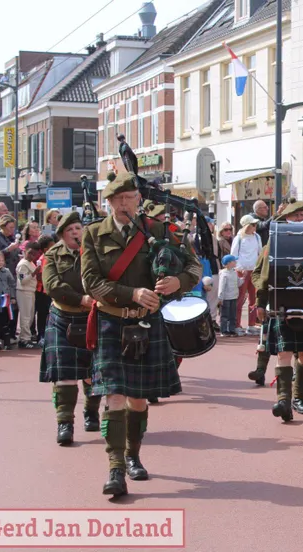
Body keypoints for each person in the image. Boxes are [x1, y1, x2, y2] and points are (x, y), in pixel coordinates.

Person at [81, 172, 202, 497]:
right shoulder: (93, 234)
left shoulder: (159, 230)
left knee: (137, 399)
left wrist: (178, 283)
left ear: (139, 200)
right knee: (114, 397)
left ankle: (133, 454)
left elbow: (193, 267)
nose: (124, 204)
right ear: (108, 202)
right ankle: (115, 467)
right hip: (111, 321)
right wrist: (132, 294)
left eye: (130, 198)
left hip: (147, 325)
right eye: (118, 199)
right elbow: (91, 282)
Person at [254, 199, 303, 420]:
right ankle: (283, 400)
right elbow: (260, 274)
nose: (300, 219)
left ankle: (299, 398)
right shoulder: (273, 243)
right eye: (296, 216)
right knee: (284, 353)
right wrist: (261, 301)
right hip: (281, 304)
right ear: (286, 219)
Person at [40, 211, 102, 445]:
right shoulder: (52, 255)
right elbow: (52, 286)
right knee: (64, 376)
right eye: (70, 230)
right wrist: (81, 299)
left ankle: (91, 411)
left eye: (78, 228)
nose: (75, 232)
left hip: (92, 318)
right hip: (63, 317)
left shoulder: (94, 251)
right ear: (61, 235)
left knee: (92, 373)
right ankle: (65, 423)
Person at [231, 215, 262, 335]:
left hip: (254, 271)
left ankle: (251, 325)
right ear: (247, 226)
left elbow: (260, 253)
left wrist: (259, 267)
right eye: (253, 224)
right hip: (241, 271)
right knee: (240, 299)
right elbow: (234, 255)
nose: (255, 226)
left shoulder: (257, 237)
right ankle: (237, 325)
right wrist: (239, 268)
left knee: (254, 299)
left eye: (255, 224)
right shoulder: (238, 238)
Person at [16, 242, 42, 349]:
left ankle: (26, 337)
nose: (32, 256)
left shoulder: (31, 263)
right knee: (25, 316)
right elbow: (23, 281)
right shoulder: (23, 264)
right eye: (30, 253)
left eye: (34, 254)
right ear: (25, 251)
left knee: (30, 316)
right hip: (24, 291)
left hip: (31, 291)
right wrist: (34, 273)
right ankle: (24, 339)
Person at [219, 255, 242, 336]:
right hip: (226, 298)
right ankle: (224, 330)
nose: (235, 262)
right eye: (234, 261)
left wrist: (243, 277)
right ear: (228, 263)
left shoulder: (234, 272)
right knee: (225, 315)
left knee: (233, 315)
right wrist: (220, 298)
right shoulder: (224, 274)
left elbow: (238, 283)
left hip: (234, 297)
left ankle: (232, 330)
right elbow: (221, 286)